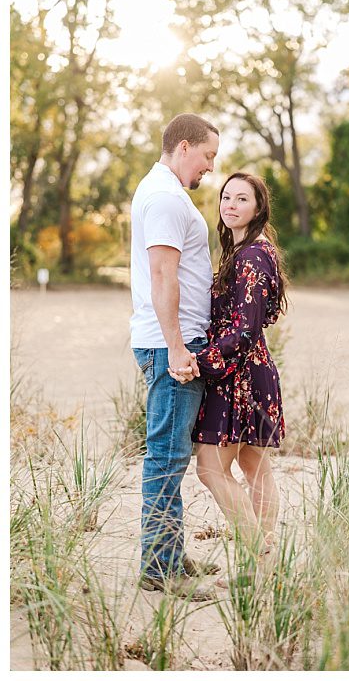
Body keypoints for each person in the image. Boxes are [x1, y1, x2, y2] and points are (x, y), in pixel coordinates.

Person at [170, 171, 288, 584]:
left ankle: (261, 558)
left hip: (240, 374)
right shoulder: (242, 251)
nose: (231, 204)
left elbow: (245, 329)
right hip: (249, 369)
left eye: (242, 199)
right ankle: (263, 567)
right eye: (226, 197)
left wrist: (199, 361)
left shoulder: (254, 256)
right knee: (255, 466)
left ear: (258, 208)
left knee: (210, 469)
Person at [130, 113, 221, 601]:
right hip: (172, 342)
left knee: (173, 455)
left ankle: (169, 553)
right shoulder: (165, 197)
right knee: (166, 457)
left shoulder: (162, 189)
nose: (210, 166)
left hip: (173, 339)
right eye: (208, 155)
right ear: (184, 147)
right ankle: (159, 569)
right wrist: (177, 347)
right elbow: (163, 275)